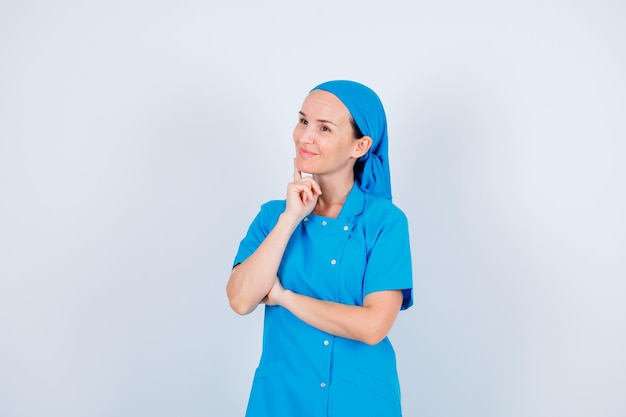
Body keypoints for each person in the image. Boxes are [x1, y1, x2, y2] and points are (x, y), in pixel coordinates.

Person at [226, 80, 413, 417]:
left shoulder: (385, 222)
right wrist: (291, 217)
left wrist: (284, 297)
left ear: (360, 146)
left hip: (360, 402)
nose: (305, 136)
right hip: (282, 400)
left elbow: (373, 327)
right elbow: (241, 299)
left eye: (324, 128)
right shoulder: (273, 217)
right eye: (303, 121)